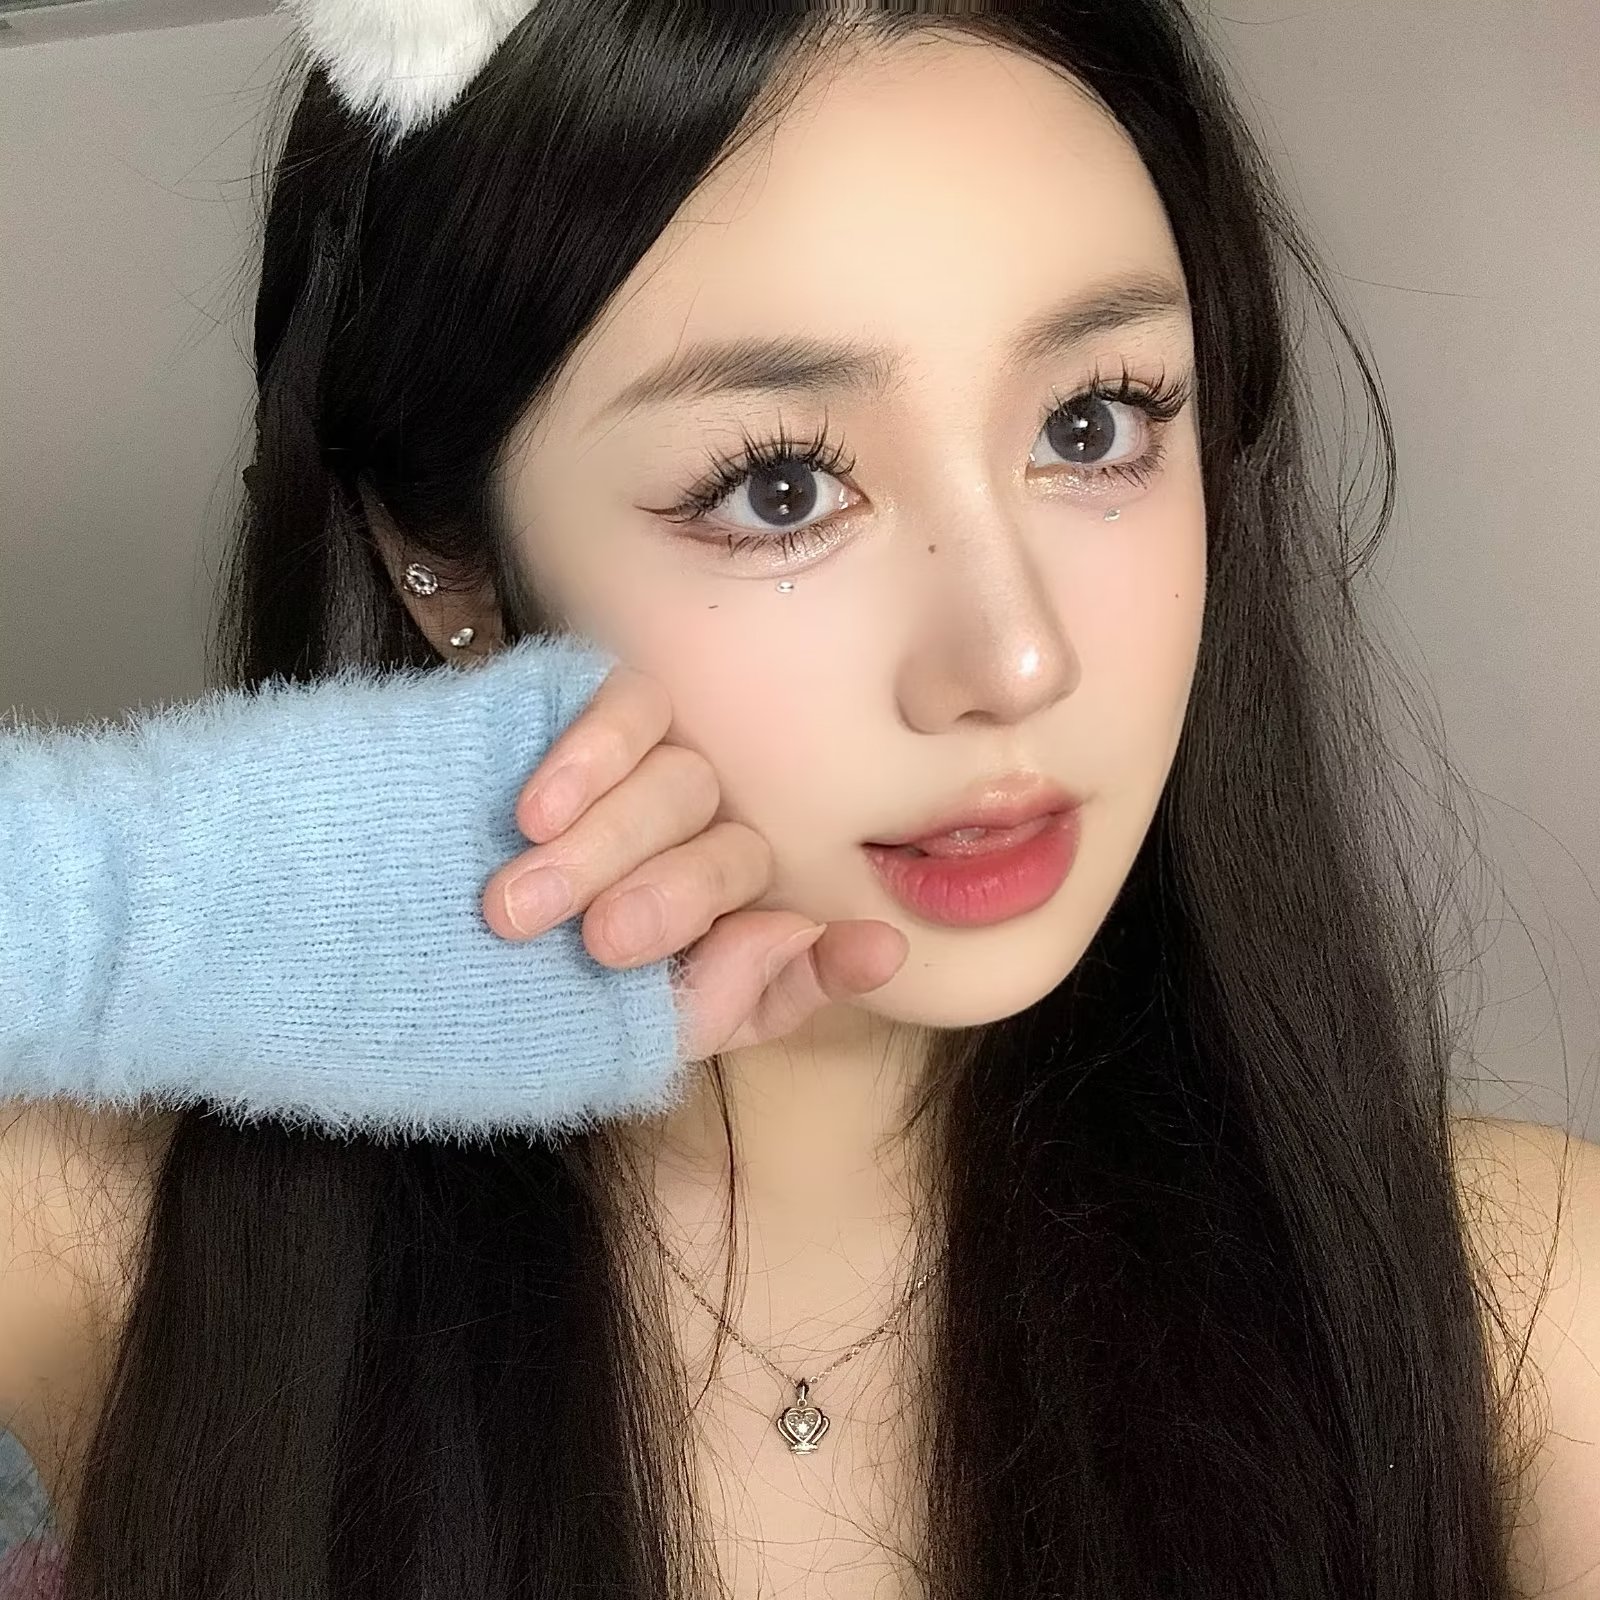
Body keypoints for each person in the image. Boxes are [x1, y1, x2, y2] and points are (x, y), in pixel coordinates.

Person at [0, 3, 1596, 1597]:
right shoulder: (99, 1248)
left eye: (1093, 423)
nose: (1017, 658)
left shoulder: (1523, 1306)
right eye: (781, 489)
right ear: (446, 564)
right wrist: (132, 900)